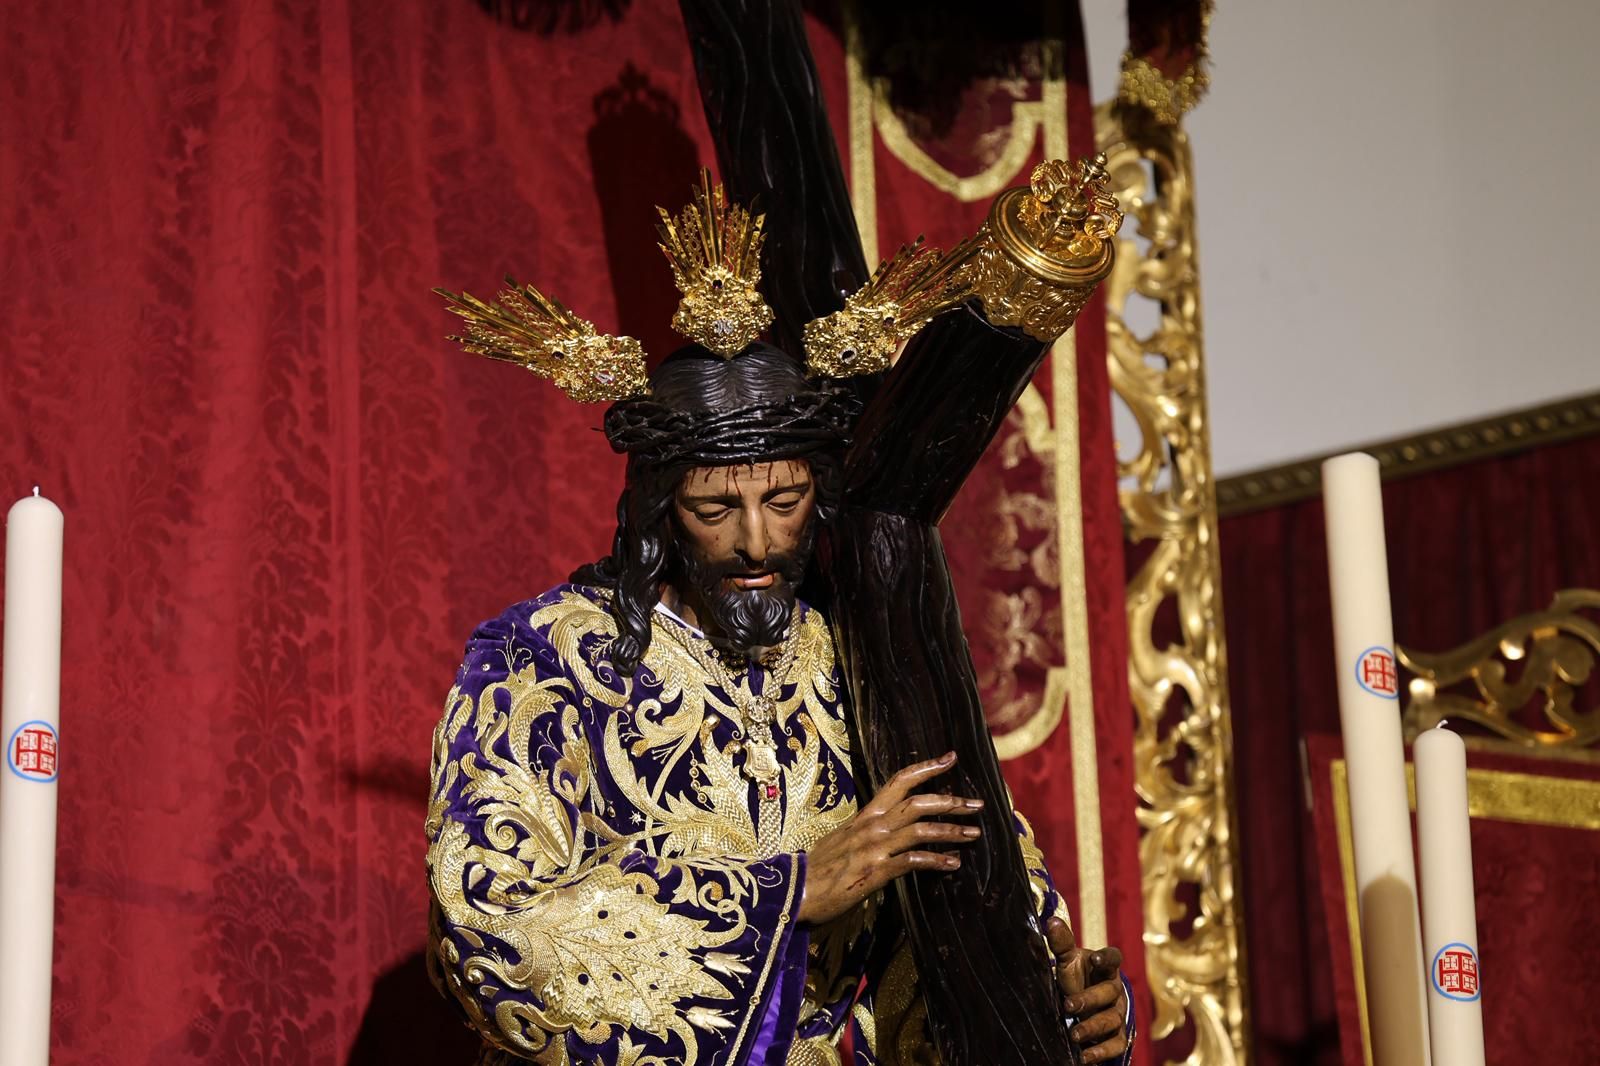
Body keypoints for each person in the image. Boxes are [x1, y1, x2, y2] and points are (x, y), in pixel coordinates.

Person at [426, 176, 1132, 1065]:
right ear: (658, 509)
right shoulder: (549, 660)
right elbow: (485, 921)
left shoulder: (862, 657)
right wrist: (783, 895)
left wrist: (1052, 996)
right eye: (714, 509)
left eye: (786, 499)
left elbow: (983, 881)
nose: (755, 540)